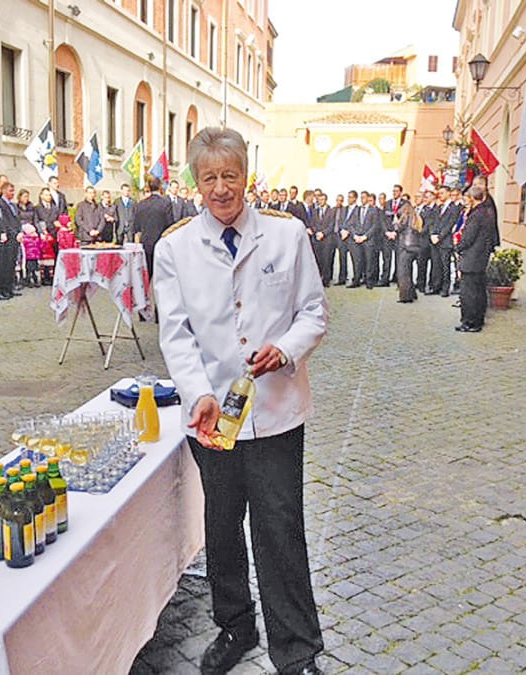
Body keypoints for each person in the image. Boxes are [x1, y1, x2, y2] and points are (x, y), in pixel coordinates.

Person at [154, 126, 326, 675]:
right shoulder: (175, 246)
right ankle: (235, 625)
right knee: (222, 528)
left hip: (276, 412)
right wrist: (198, 393)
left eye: (230, 176)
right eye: (210, 178)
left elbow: (313, 314)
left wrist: (287, 348)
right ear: (196, 183)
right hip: (211, 419)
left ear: (246, 176)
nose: (221, 189)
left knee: (280, 529)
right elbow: (176, 334)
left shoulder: (286, 234)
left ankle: (296, 650)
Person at [455, 185, 495, 332]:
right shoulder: (487, 212)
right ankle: (478, 320)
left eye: (466, 198)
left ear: (472, 199)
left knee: (469, 293)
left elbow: (468, 238)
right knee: (479, 291)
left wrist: (458, 246)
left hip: (471, 258)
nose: (465, 201)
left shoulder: (476, 215)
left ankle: (469, 322)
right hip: (480, 258)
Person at [133, 176, 175, 278]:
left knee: (146, 276)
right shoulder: (165, 203)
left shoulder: (141, 204)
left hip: (145, 244)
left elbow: (136, 227)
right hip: (161, 244)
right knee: (161, 277)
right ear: (160, 187)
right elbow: (170, 225)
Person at [395, 200, 425, 303]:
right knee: (408, 271)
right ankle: (412, 293)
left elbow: (398, 228)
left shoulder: (406, 215)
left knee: (403, 273)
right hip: (415, 246)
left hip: (406, 246)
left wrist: (396, 220)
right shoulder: (416, 217)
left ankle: (405, 297)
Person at [0, 181, 22, 298]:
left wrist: (20, 232)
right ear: (4, 191)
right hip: (8, 239)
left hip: (16, 239)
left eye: (13, 191)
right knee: (6, 265)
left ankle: (10, 287)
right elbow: (6, 222)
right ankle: (4, 289)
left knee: (12, 264)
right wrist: (14, 233)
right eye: (10, 191)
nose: (13, 193)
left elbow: (17, 220)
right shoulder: (1, 204)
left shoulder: (13, 205)